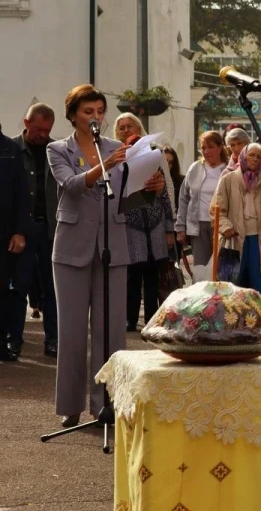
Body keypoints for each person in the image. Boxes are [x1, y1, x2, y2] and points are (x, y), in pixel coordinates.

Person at [48, 85, 164, 427]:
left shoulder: (117, 149)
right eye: (88, 111)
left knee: (111, 331)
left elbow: (123, 201)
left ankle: (106, 404)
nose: (95, 117)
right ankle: (69, 407)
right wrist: (103, 166)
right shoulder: (59, 150)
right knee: (71, 332)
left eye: (99, 110)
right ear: (73, 116)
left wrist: (150, 192)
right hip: (71, 249)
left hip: (113, 246)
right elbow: (70, 186)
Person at [9, 103, 58, 359]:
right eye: (38, 129)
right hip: (22, 230)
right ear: (27, 123)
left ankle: (53, 340)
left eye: (47, 130)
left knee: (52, 289)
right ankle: (14, 340)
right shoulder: (12, 149)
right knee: (18, 287)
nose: (42, 134)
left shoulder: (57, 150)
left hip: (52, 229)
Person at [115, 125, 175, 332]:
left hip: (155, 230)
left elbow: (166, 201)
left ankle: (151, 319)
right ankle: (130, 319)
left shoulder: (155, 171)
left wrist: (169, 231)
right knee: (132, 279)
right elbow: (116, 201)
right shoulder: (119, 171)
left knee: (152, 280)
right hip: (132, 231)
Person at [212, 143, 261, 298]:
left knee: (260, 285)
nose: (255, 159)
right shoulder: (228, 180)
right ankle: (235, 321)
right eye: (252, 155)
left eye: (259, 157)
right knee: (234, 285)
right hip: (234, 239)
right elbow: (216, 210)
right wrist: (226, 227)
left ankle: (259, 320)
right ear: (243, 156)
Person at [175, 132, 229, 282]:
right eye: (203, 148)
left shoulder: (228, 169)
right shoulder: (195, 168)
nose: (206, 151)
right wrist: (180, 227)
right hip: (198, 226)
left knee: (221, 271)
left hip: (221, 227)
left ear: (220, 148)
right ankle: (203, 304)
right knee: (200, 270)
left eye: (211, 147)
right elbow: (184, 198)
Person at [0, 122, 29, 363]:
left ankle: (1, 343)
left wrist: (20, 232)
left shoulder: (10, 150)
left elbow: (21, 196)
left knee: (3, 292)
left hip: (5, 233)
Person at [162, 146, 185, 214]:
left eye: (171, 162)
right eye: (165, 161)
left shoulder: (181, 181)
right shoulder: (153, 181)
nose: (168, 165)